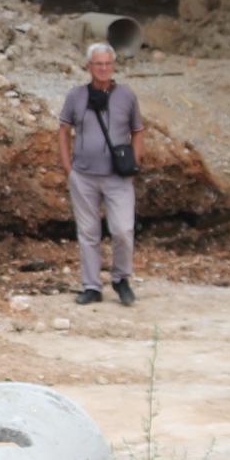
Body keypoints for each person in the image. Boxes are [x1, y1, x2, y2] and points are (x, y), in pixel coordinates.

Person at [56, 42, 144, 306]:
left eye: (107, 63)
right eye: (98, 64)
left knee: (123, 230)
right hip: (83, 176)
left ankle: (121, 279)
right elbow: (63, 130)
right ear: (89, 67)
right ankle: (91, 286)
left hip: (118, 177)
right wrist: (67, 167)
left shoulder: (127, 96)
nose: (103, 68)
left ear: (113, 66)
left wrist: (134, 162)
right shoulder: (75, 96)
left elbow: (138, 130)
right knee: (88, 232)